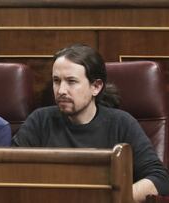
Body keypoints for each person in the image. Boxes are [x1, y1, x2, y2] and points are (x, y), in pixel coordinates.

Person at [12, 44, 169, 202]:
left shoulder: (122, 123)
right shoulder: (40, 121)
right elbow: (9, 172)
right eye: (56, 81)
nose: (61, 90)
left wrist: (114, 198)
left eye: (71, 81)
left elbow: (159, 178)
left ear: (96, 86)